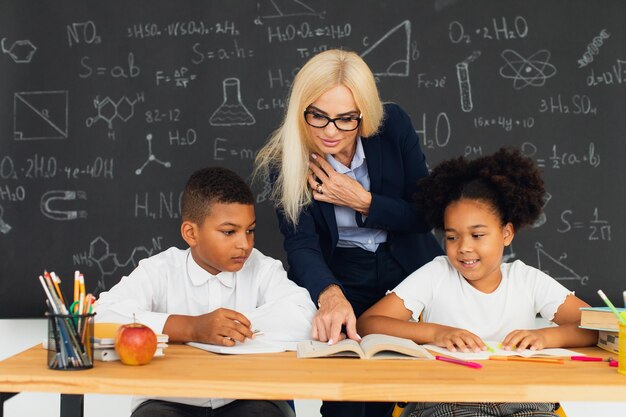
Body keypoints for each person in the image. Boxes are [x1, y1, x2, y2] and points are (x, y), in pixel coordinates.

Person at [254, 49, 443, 417]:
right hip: (338, 274)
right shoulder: (287, 159)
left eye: (345, 120)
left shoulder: (393, 127)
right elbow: (301, 244)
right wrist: (329, 294)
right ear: (301, 110)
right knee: (349, 399)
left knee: (403, 390)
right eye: (318, 117)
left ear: (364, 115)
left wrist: (366, 202)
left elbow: (425, 214)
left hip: (407, 269)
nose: (329, 132)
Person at [357, 148, 598, 417]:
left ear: (506, 233)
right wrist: (437, 334)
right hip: (447, 400)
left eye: (477, 235)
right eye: (452, 237)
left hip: (521, 400)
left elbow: (593, 326)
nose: (463, 248)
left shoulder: (526, 279)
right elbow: (369, 323)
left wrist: (544, 336)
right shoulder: (436, 274)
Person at [94, 166, 316, 417]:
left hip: (249, 398)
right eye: (229, 232)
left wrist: (228, 328)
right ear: (191, 233)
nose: (244, 244)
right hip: (167, 401)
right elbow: (100, 317)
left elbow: (304, 317)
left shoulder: (262, 268)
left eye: (250, 230)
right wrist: (191, 328)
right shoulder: (159, 270)